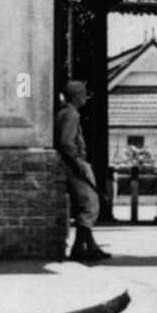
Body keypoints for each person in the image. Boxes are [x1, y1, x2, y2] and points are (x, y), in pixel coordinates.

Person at [55, 81, 111, 261]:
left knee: (86, 205)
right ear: (77, 95)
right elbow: (66, 142)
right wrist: (78, 163)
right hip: (74, 164)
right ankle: (81, 247)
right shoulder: (72, 115)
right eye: (84, 93)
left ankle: (87, 246)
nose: (86, 96)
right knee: (90, 204)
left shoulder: (63, 113)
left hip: (69, 163)